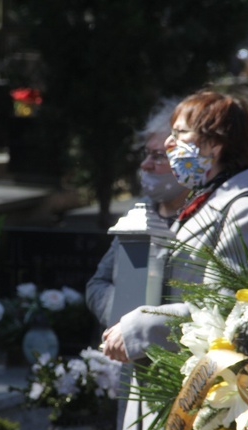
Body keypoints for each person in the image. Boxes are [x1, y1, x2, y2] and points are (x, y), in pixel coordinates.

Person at [101, 91, 248, 430]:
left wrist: (143, 324)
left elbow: (238, 311)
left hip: (202, 405)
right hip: (169, 389)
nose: (168, 144)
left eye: (180, 134)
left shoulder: (244, 211)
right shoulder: (204, 204)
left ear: (214, 144)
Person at [86, 98, 188, 328]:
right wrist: (124, 318)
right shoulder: (142, 211)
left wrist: (149, 328)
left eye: (159, 156)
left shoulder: (203, 216)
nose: (146, 165)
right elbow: (98, 283)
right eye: (147, 154)